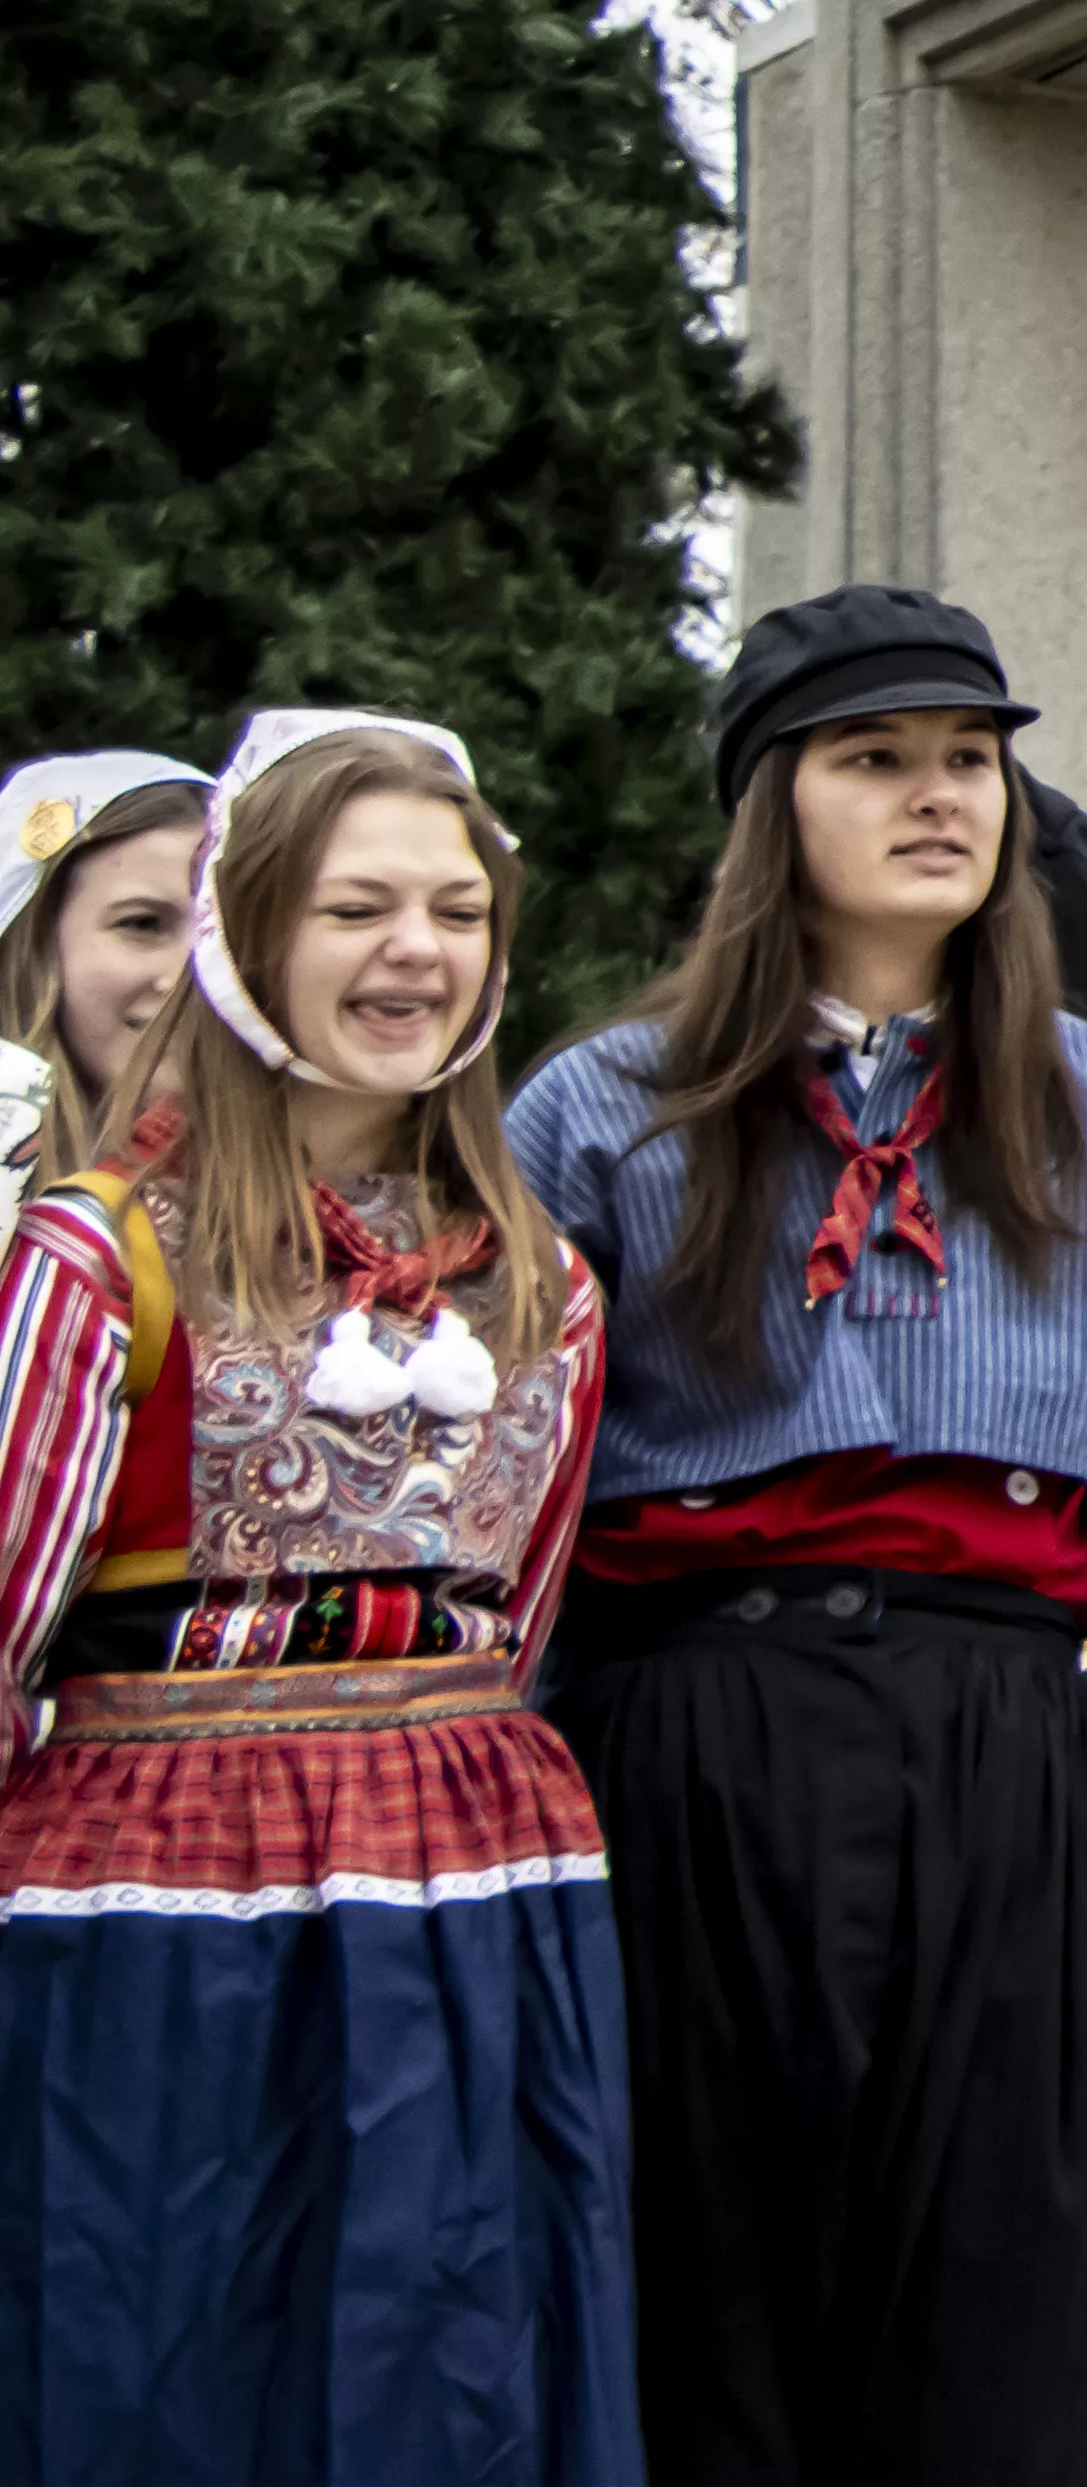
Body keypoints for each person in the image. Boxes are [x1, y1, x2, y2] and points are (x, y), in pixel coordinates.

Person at [502, 584, 1087, 2487]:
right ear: (773, 803)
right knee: (708, 2373)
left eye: (971, 760)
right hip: (694, 1772)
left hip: (1028, 1783)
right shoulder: (599, 1113)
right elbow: (511, 1524)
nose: (940, 797)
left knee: (1001, 2380)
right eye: (876, 758)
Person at [0, 711, 630, 2475]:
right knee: (166, 2358)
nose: (416, 952)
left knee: (455, 2369)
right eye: (357, 907)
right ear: (246, 924)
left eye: (457, 909)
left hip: (472, 1890)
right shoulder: (98, 1254)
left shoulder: (544, 1283)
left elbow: (533, 1600)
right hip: (157, 1909)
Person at [0, 744, 204, 1184]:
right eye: (143, 924)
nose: (196, 978)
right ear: (33, 947)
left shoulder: (309, 1199)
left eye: (220, 931)